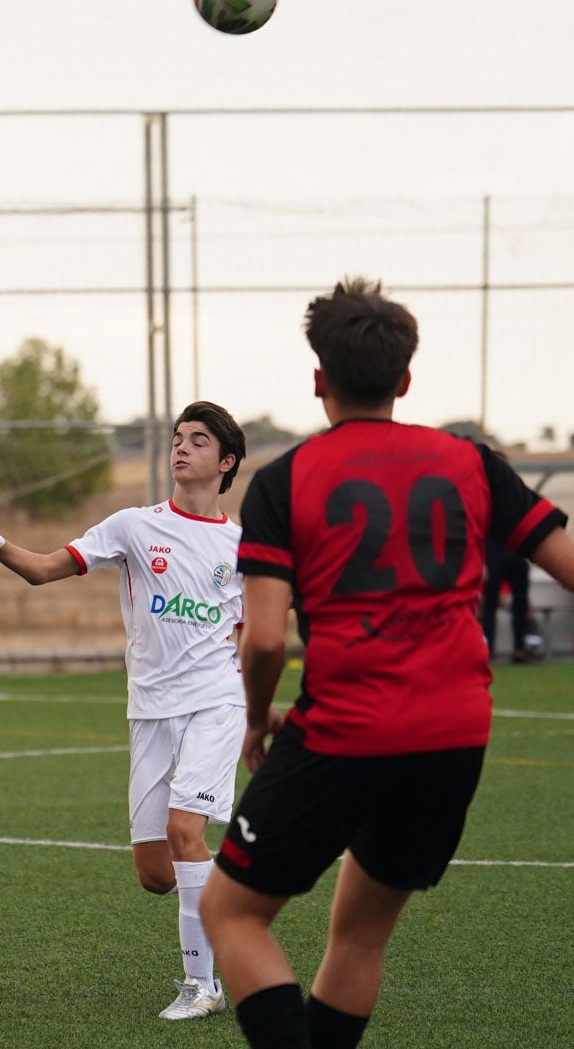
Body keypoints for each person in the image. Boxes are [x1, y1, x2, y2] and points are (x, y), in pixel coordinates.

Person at [199, 277, 574, 1049]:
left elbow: (264, 639)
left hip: (347, 728)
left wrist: (255, 718)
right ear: (404, 379)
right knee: (359, 934)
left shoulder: (285, 481)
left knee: (231, 912)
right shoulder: (473, 462)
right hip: (455, 733)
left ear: (318, 379)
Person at [0, 400, 247, 1022]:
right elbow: (41, 571)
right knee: (155, 873)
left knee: (184, 832)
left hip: (217, 704)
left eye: (198, 441)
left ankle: (203, 986)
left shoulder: (243, 546)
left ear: (225, 463)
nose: (181, 448)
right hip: (150, 710)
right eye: (177, 437)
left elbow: (254, 627)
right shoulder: (134, 527)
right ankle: (228, 886)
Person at [479, 538, 537, 662]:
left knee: (520, 605)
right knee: (490, 605)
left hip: (512, 552)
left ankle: (519, 648)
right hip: (497, 553)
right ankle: (489, 647)